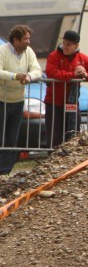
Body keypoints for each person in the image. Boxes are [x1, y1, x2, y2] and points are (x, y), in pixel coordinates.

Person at [44, 30, 88, 148]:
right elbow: (52, 73)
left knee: (73, 134)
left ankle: (69, 160)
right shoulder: (53, 56)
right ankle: (53, 160)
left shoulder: (83, 58)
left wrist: (86, 75)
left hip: (72, 103)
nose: (65, 46)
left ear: (76, 46)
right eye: (64, 43)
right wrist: (73, 74)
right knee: (55, 135)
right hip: (54, 102)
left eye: (68, 44)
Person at [0, 25, 42, 175]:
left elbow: (37, 69)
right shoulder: (3, 51)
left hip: (18, 101)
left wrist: (29, 77)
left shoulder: (28, 52)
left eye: (29, 38)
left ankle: (5, 171)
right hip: (1, 100)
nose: (28, 42)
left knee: (12, 137)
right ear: (16, 40)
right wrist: (14, 76)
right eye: (25, 39)